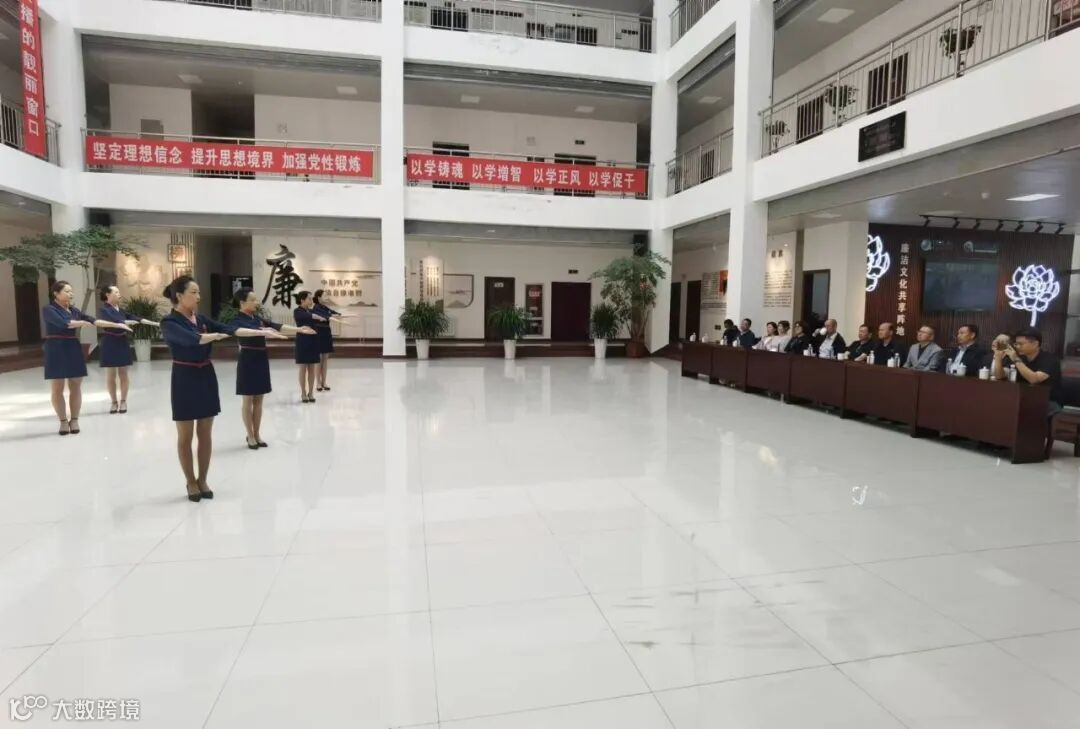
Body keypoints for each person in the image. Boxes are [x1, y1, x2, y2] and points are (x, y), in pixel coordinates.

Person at [160, 275, 271, 502]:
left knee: (205, 433)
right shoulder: (169, 322)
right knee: (185, 435)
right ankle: (190, 481)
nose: (198, 297)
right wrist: (214, 336)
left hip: (206, 376)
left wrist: (260, 332)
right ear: (179, 296)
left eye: (199, 292)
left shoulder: (201, 319)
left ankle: (203, 479)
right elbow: (192, 339)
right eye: (193, 292)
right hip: (184, 378)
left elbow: (230, 329)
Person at [42, 281, 133, 435]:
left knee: (75, 385)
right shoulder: (49, 309)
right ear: (56, 294)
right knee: (57, 387)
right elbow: (65, 324)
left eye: (71, 291)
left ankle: (74, 419)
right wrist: (82, 322)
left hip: (72, 347)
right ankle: (63, 421)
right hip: (56, 348)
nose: (71, 294)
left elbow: (94, 321)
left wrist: (118, 325)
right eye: (67, 291)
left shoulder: (74, 310)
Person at [231, 288, 316, 449]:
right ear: (242, 303)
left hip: (261, 359)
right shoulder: (237, 320)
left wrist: (299, 329)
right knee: (248, 400)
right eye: (253, 300)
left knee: (259, 400)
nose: (256, 303)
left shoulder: (257, 318)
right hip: (247, 361)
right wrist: (262, 331)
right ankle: (250, 435)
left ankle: (257, 434)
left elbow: (277, 326)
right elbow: (244, 332)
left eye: (256, 299)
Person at [97, 285, 160, 414]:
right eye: (116, 292)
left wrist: (155, 323)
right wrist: (126, 322)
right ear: (107, 295)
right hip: (110, 342)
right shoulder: (104, 310)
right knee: (111, 375)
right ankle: (114, 401)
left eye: (119, 292)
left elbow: (136, 318)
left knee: (123, 373)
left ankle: (123, 401)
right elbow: (114, 320)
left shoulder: (121, 310)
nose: (119, 294)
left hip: (122, 341)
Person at [993, 328, 1063, 415]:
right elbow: (1000, 376)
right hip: (1024, 399)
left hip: (1048, 401)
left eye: (1020, 344)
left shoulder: (1050, 360)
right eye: (1016, 344)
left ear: (1035, 344)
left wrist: (1015, 359)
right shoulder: (1020, 358)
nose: (1017, 347)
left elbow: (1034, 379)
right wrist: (998, 358)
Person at [294, 291, 325, 403]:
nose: (311, 301)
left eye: (312, 299)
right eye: (309, 299)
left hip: (313, 341)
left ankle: (311, 393)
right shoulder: (297, 311)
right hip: (302, 342)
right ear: (302, 300)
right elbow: (309, 316)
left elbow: (324, 315)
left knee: (312, 368)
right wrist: (317, 316)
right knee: (303, 368)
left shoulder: (311, 311)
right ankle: (303, 392)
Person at [312, 289, 344, 392]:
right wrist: (333, 316)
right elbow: (327, 316)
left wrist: (339, 315)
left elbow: (334, 313)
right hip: (319, 334)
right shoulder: (316, 307)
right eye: (325, 295)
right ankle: (318, 383)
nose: (327, 297)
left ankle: (324, 382)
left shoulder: (325, 307)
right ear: (319, 298)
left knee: (325, 358)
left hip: (326, 333)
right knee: (319, 359)